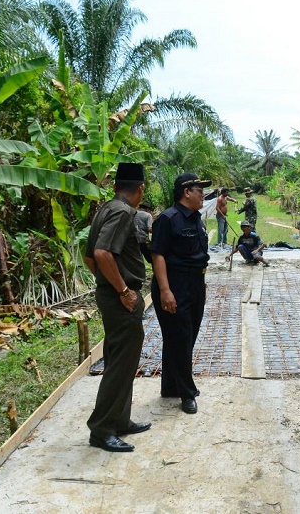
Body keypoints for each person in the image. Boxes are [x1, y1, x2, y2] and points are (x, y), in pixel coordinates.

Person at [84, 162, 151, 453]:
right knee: (120, 364)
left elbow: (89, 257)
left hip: (112, 296)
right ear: (140, 189)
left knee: (119, 360)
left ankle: (120, 419)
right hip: (123, 299)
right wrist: (122, 290)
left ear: (114, 186)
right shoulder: (124, 213)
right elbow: (101, 253)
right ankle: (101, 430)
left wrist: (105, 282)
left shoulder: (106, 208)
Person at [150, 172, 212, 415]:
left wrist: (201, 284)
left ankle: (171, 386)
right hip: (174, 285)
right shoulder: (168, 219)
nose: (203, 195)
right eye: (199, 190)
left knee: (185, 337)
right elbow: (158, 255)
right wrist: (165, 290)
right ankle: (187, 393)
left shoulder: (196, 219)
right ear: (187, 192)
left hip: (195, 283)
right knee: (181, 338)